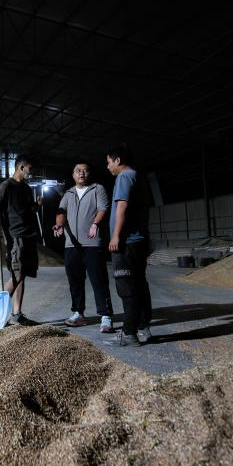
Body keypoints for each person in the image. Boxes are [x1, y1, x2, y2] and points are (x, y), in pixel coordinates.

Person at [53, 162, 114, 332]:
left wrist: (95, 224)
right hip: (71, 245)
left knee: (99, 280)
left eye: (85, 171)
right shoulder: (68, 193)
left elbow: (103, 208)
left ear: (89, 174)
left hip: (92, 244)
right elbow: (61, 211)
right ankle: (78, 314)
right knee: (75, 281)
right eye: (78, 171)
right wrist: (58, 225)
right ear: (73, 175)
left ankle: (106, 316)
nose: (82, 173)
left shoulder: (97, 189)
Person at [105, 144, 153, 346]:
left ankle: (129, 333)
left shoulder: (124, 177)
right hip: (139, 240)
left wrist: (115, 236)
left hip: (127, 242)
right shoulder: (138, 176)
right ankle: (143, 328)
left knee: (127, 287)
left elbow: (122, 206)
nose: (108, 167)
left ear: (117, 160)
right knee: (140, 285)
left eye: (109, 162)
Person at [0, 154, 39, 325]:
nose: (31, 173)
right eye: (30, 169)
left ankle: (17, 313)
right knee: (17, 274)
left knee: (22, 275)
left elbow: (26, 210)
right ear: (21, 168)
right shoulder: (6, 186)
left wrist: (36, 205)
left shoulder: (26, 189)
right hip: (15, 236)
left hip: (29, 235)